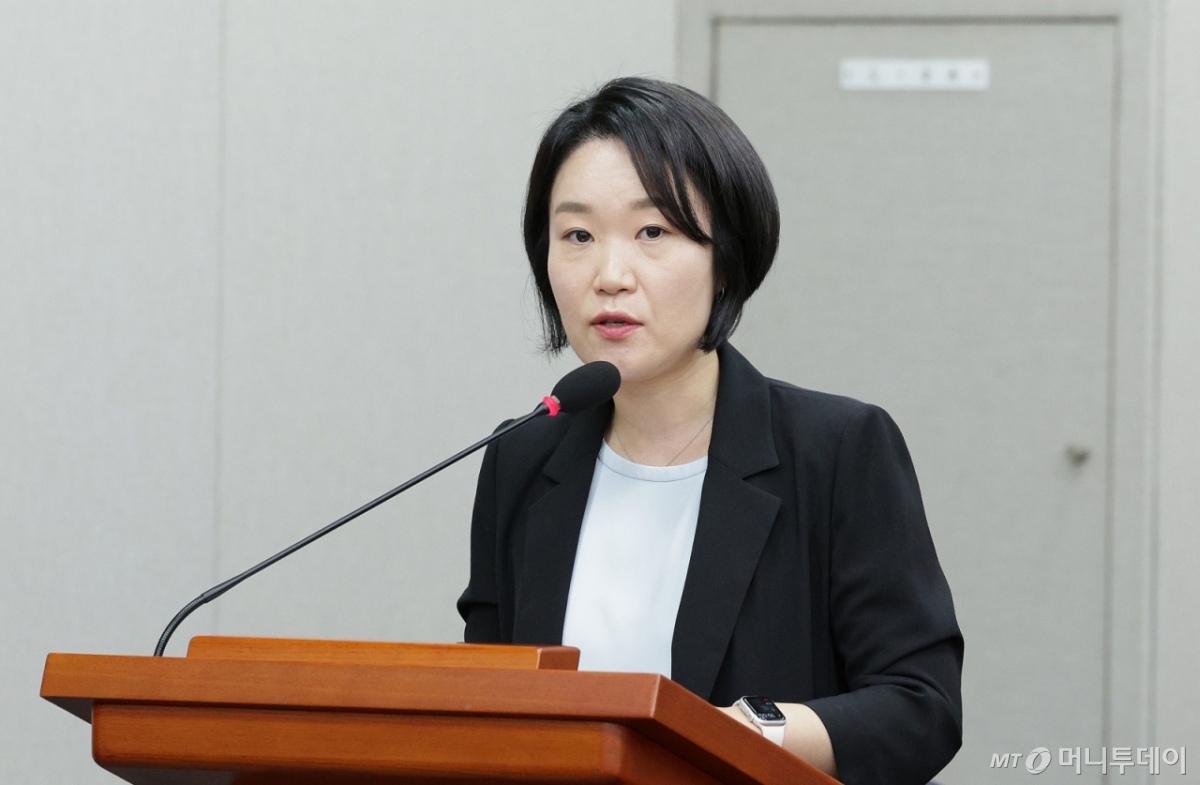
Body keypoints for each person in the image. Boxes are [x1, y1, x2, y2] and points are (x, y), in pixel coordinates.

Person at [457, 77, 963, 785]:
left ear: (725, 257)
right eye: (577, 235)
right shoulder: (521, 458)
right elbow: (488, 706)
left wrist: (743, 731)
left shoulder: (837, 450)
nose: (610, 275)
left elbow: (920, 707)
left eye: (652, 232)